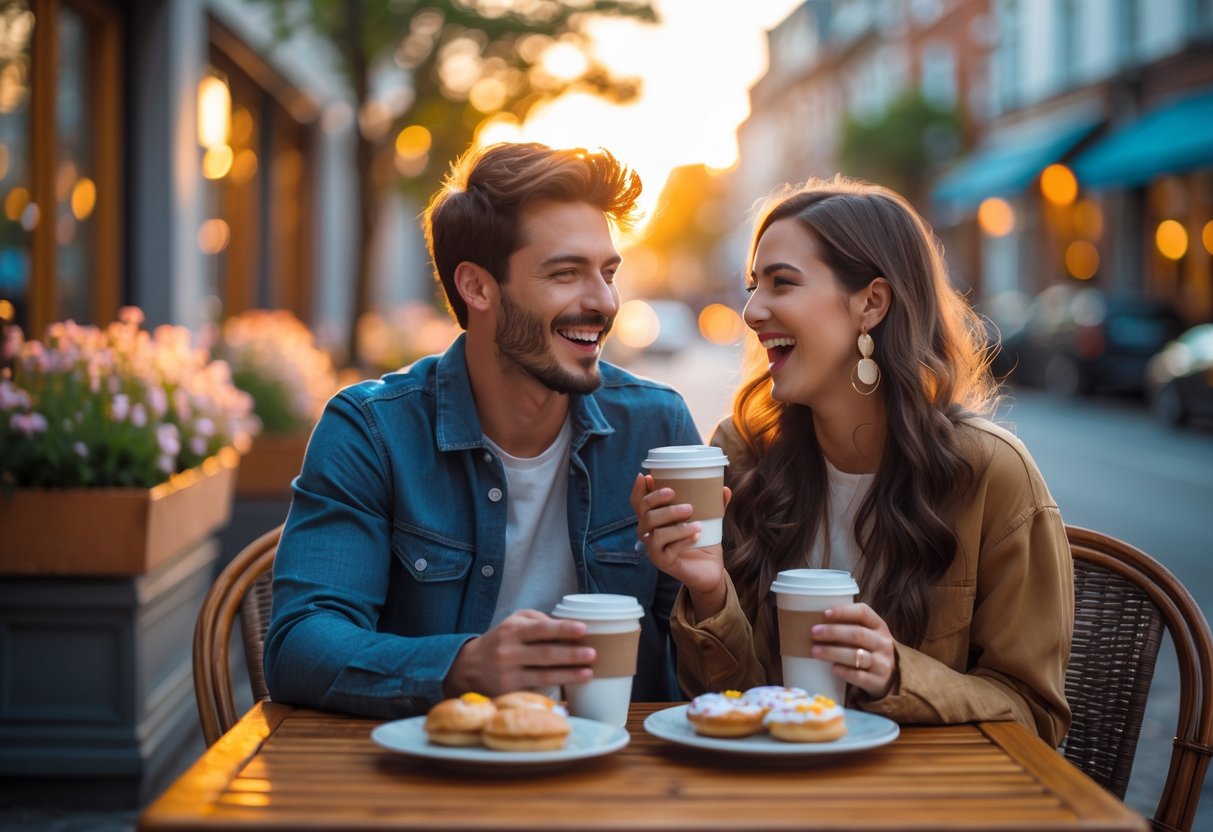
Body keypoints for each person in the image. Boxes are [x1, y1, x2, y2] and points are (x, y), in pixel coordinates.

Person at [632, 177, 1073, 746]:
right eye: (752, 286)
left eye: (781, 283)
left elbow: (1036, 715)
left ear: (871, 303)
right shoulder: (742, 456)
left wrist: (897, 673)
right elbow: (733, 706)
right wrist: (710, 590)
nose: (750, 311)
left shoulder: (991, 474)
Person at [265, 143, 699, 718]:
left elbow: (711, 672)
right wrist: (463, 666)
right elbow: (300, 644)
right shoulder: (373, 432)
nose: (604, 301)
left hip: (617, 779)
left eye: (608, 272)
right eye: (567, 273)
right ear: (477, 287)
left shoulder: (657, 426)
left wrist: (711, 596)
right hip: (433, 774)